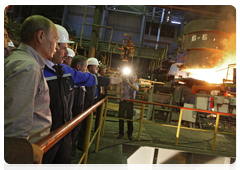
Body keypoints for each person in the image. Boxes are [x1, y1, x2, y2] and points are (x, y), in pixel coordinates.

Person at [41, 24, 98, 170]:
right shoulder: (36, 69)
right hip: (44, 136)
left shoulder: (64, 70)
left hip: (63, 132)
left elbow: (87, 79)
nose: (66, 53)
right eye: (63, 48)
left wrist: (110, 80)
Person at [4, 15, 59, 143]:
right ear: (40, 36)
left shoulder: (18, 59)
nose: (56, 47)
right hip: (22, 152)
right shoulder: (29, 68)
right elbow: (14, 126)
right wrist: (20, 154)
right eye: (55, 40)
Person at [77, 58, 122, 151]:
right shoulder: (85, 77)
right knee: (82, 127)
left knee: (86, 126)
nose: (97, 68)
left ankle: (83, 143)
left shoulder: (94, 77)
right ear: (89, 67)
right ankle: (78, 145)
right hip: (84, 106)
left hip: (90, 104)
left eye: (98, 67)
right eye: (95, 66)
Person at [70, 55, 88, 157]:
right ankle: (70, 150)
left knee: (76, 131)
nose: (86, 69)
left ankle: (72, 148)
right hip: (74, 109)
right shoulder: (73, 78)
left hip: (79, 109)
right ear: (78, 66)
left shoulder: (80, 78)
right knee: (72, 132)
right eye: (85, 66)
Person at [117, 73, 139, 141]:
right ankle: (121, 133)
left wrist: (129, 83)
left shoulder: (135, 85)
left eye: (134, 78)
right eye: (132, 77)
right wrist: (122, 83)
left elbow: (136, 89)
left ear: (136, 80)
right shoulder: (124, 84)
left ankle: (130, 134)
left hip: (130, 103)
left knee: (130, 118)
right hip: (123, 102)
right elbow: (120, 92)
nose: (133, 79)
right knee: (121, 117)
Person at [94, 64, 108, 132]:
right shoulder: (96, 77)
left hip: (102, 96)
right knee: (93, 112)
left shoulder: (105, 79)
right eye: (105, 70)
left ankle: (97, 128)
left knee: (99, 113)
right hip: (97, 96)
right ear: (101, 70)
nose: (105, 71)